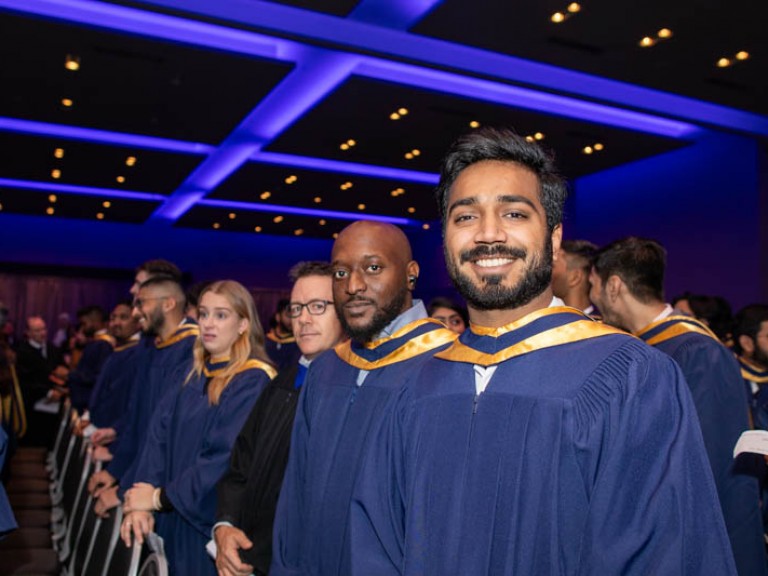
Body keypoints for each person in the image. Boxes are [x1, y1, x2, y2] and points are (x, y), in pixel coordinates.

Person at [350, 127, 736, 575]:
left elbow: (664, 557)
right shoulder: (415, 387)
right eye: (465, 217)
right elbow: (376, 545)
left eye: (514, 214)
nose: (487, 234)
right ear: (445, 240)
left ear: (553, 239)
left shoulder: (630, 376)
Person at [270, 220, 457, 576]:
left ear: (410, 274)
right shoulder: (326, 370)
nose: (353, 286)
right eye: (340, 273)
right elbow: (295, 495)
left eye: (373, 268)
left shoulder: (448, 368)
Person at [590, 236, 765, 576]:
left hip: (700, 536)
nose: (593, 299)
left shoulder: (696, 351)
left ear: (613, 286)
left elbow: (707, 461)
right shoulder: (641, 347)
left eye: (594, 286)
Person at [120, 280, 276, 576]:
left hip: (205, 523)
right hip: (171, 512)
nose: (208, 324)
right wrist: (143, 496)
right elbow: (157, 436)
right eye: (203, 314)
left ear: (243, 323)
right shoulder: (191, 371)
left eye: (221, 315)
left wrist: (157, 497)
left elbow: (220, 461)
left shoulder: (252, 381)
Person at [214, 261, 346, 576]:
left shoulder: (355, 392)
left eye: (317, 306)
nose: (303, 318)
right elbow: (240, 465)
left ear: (345, 310)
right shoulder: (281, 384)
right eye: (296, 308)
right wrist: (225, 526)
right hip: (249, 557)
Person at [90, 275, 198, 516]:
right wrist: (116, 471)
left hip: (164, 486)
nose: (136, 312)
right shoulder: (154, 348)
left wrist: (125, 489)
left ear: (168, 303)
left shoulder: (192, 351)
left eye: (142, 303)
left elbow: (162, 434)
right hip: (142, 478)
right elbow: (139, 421)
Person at [14, 316, 67, 445]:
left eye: (43, 329)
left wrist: (61, 387)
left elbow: (59, 370)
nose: (42, 333)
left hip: (56, 401)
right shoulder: (21, 352)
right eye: (37, 330)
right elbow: (24, 381)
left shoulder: (53, 348)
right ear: (28, 333)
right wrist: (48, 393)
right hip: (32, 406)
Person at [66, 305, 114, 412]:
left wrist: (70, 375)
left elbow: (99, 377)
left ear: (95, 321)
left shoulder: (103, 344)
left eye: (84, 323)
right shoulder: (96, 343)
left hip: (89, 403)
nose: (82, 328)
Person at [551, 239, 600, 316]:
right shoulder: (548, 322)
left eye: (552, 266)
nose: (546, 271)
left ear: (574, 277)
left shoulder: (597, 327)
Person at [264, 299, 301, 371]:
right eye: (288, 315)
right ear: (278, 317)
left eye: (294, 315)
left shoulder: (300, 345)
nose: (291, 319)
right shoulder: (265, 341)